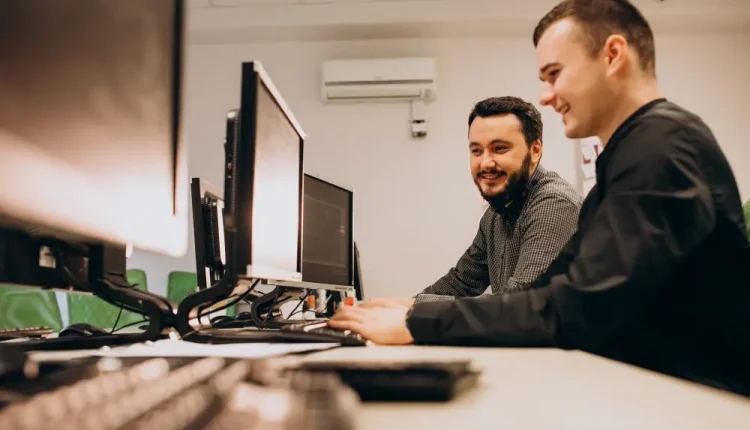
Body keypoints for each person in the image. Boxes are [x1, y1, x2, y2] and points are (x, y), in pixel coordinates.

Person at [329, 0, 750, 395]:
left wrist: (416, 321)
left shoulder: (659, 148)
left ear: (613, 55)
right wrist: (408, 310)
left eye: (554, 74)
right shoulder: (630, 154)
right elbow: (549, 292)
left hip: (696, 399)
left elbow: (574, 309)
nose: (546, 96)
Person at [361, 96, 580, 309]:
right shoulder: (496, 213)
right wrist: (399, 309)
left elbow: (521, 303)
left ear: (535, 151)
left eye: (500, 148)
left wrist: (413, 307)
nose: (485, 162)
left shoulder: (554, 203)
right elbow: (460, 282)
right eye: (476, 150)